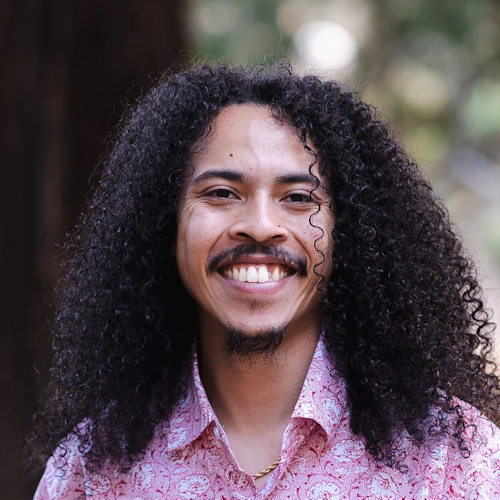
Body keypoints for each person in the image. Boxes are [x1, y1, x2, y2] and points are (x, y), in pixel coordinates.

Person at [29, 63, 500, 499]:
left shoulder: (449, 461)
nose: (259, 225)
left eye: (297, 197)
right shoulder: (91, 471)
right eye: (221, 193)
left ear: (348, 233)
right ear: (164, 225)